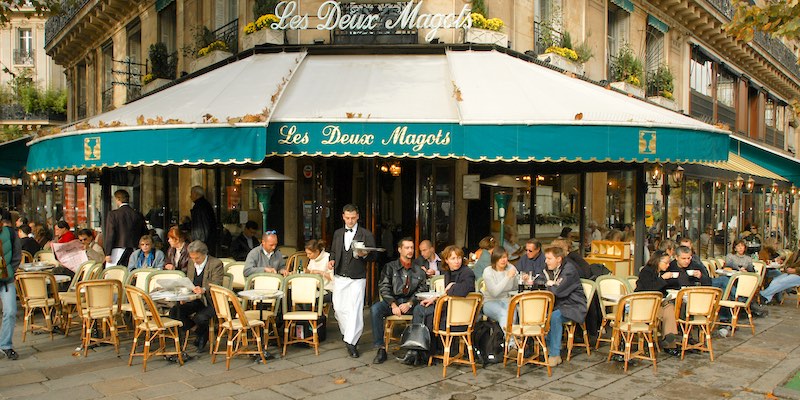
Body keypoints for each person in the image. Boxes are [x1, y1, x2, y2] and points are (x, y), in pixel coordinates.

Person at [401, 245, 475, 365]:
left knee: (426, 314)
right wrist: (435, 299)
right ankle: (415, 350)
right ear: (446, 260)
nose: (457, 261)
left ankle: (424, 352)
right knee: (420, 308)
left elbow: (463, 290)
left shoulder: (467, 273)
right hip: (449, 309)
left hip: (458, 317)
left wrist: (452, 286)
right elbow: (447, 294)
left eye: (459, 258)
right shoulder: (448, 273)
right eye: (453, 258)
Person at [328, 204, 376, 358]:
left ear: (358, 217)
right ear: (343, 216)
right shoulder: (338, 233)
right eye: (347, 218)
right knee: (339, 308)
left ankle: (351, 342)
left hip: (357, 276)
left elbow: (374, 256)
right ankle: (348, 334)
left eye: (353, 218)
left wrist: (365, 255)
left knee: (355, 309)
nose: (350, 221)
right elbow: (334, 250)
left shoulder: (366, 234)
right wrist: (332, 260)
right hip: (340, 275)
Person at [370, 237, 427, 364]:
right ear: (400, 249)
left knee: (422, 310)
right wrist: (393, 304)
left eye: (412, 248)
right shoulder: (390, 267)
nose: (410, 250)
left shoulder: (419, 270)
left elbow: (422, 290)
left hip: (410, 302)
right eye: (407, 248)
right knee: (375, 309)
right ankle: (381, 348)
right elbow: (384, 287)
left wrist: (410, 303)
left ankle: (414, 349)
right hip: (393, 301)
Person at [168, 240, 223, 352]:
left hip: (210, 300)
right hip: (195, 299)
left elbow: (216, 283)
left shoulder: (216, 263)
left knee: (200, 317)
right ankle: (199, 331)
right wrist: (185, 296)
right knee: (175, 312)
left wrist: (203, 289)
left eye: (197, 258)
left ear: (204, 254)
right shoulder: (191, 263)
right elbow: (189, 281)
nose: (194, 261)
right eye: (192, 258)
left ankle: (202, 335)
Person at [542, 246, 586, 367]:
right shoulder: (549, 268)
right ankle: (544, 347)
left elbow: (558, 291)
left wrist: (548, 285)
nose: (546, 261)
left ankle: (555, 354)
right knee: (540, 314)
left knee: (555, 317)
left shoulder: (569, 270)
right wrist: (547, 283)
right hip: (558, 304)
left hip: (573, 306)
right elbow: (539, 279)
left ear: (559, 259)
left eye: (549, 258)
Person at [635, 251, 680, 356]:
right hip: (643, 304)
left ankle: (670, 340)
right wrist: (663, 279)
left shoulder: (661, 272)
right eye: (666, 263)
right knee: (667, 310)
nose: (668, 265)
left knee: (669, 307)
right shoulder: (646, 271)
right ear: (658, 261)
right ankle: (669, 340)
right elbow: (650, 289)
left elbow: (669, 286)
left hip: (657, 304)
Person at [104, 189, 148, 267]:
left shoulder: (113, 214)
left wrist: (108, 253)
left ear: (118, 199)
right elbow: (144, 233)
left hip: (117, 250)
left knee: (112, 274)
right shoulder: (137, 214)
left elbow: (110, 234)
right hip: (135, 249)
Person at [481, 247, 517, 329]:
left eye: (504, 257)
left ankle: (509, 340)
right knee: (504, 313)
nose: (503, 260)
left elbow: (515, 288)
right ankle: (510, 341)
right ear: (495, 259)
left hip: (507, 300)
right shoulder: (488, 271)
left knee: (513, 316)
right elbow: (494, 293)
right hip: (490, 302)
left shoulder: (511, 268)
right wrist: (507, 277)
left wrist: (518, 278)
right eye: (500, 258)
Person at [0, 220, 21, 360]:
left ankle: (5, 345)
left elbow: (17, 254)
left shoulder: (11, 233)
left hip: (6, 280)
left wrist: (10, 271)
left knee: (11, 311)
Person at [190, 186, 218, 256]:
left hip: (202, 241)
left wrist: (199, 243)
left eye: (192, 193)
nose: (190, 196)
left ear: (196, 194)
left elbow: (200, 226)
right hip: (207, 240)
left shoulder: (199, 206)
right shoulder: (205, 205)